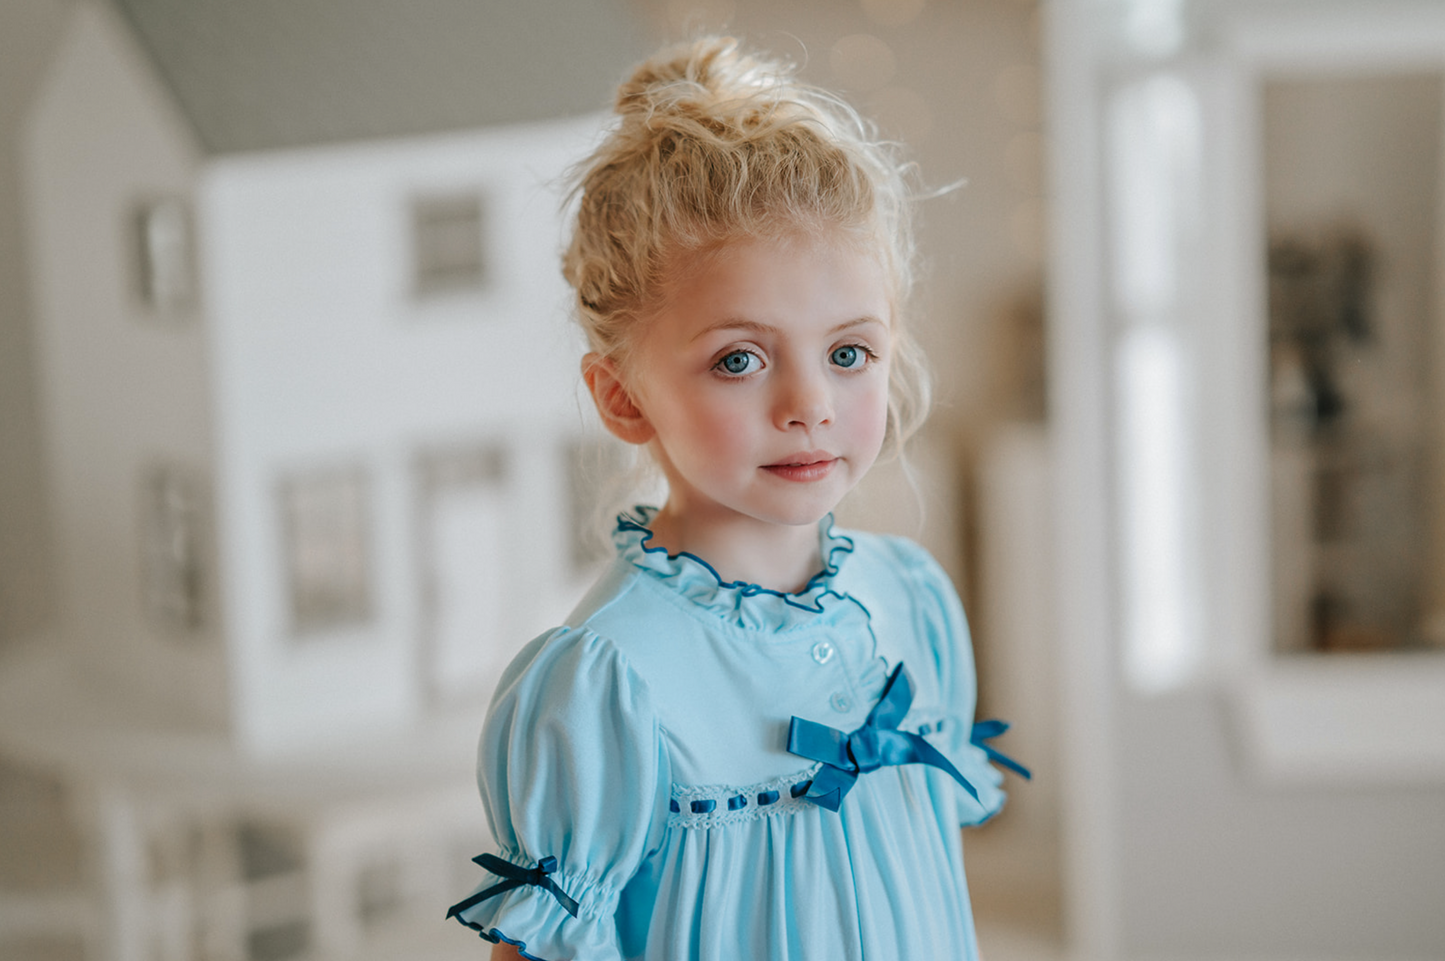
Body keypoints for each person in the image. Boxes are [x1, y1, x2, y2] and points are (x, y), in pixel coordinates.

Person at [446, 35, 1026, 961]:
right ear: (624, 396)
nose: (808, 406)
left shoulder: (911, 601)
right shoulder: (609, 685)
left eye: (847, 353)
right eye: (739, 360)